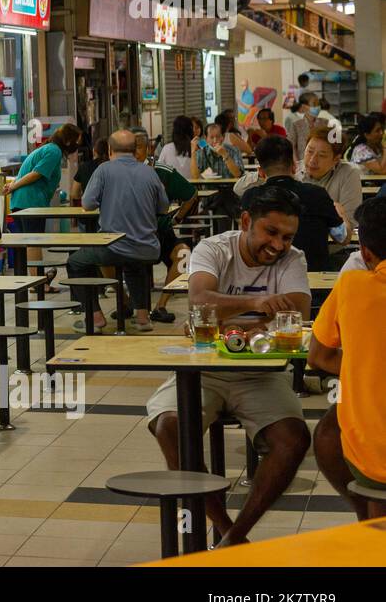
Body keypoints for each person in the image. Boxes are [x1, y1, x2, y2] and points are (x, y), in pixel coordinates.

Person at [146, 184, 312, 546]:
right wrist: (264, 305)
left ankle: (234, 537)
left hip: (261, 374)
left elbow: (298, 312)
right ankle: (228, 532)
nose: (279, 245)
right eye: (271, 232)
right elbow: (199, 299)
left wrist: (236, 321)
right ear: (247, 221)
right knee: (169, 426)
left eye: (287, 236)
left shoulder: (293, 259)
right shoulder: (213, 249)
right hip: (202, 370)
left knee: (293, 440)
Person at [310, 196, 386, 521]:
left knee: (331, 435)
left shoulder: (352, 285)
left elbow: (318, 355)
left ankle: (367, 527)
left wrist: (363, 366)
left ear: (365, 253)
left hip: (375, 459)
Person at [66, 130, 167, 333]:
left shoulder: (104, 170)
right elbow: (163, 207)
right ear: (134, 150)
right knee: (134, 264)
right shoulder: (149, 172)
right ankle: (142, 318)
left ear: (110, 150)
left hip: (114, 248)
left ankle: (95, 318)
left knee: (75, 262)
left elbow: (87, 204)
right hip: (147, 247)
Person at [231, 136, 345, 271]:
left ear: (261, 172)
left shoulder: (250, 197)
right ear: (294, 166)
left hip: (264, 281)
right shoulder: (317, 194)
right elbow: (341, 237)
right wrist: (341, 213)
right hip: (312, 280)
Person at [6, 122, 83, 288]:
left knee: (31, 242)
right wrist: (13, 186)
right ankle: (38, 284)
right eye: (76, 142)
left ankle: (37, 281)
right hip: (29, 202)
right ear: (68, 142)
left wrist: (14, 185)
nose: (78, 146)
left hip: (23, 201)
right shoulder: (54, 151)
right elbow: (36, 174)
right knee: (34, 242)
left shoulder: (48, 149)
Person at [137, 133, 198, 323]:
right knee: (101, 255)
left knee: (184, 255)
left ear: (148, 149)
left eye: (138, 147)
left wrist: (177, 218)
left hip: (161, 233)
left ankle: (161, 305)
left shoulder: (162, 171)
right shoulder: (118, 172)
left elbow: (191, 194)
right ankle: (125, 302)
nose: (133, 152)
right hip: (130, 234)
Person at [299, 126, 362, 235]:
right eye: (309, 151)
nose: (313, 160)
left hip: (334, 248)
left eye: (322, 155)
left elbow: (350, 222)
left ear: (336, 159)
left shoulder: (349, 173)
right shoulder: (293, 170)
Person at [70, 137, 109, 203]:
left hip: (90, 209)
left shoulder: (84, 167)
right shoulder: (114, 167)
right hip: (111, 208)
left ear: (94, 151)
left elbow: (74, 194)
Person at [156, 115, 195, 181]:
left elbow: (159, 171)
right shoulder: (196, 148)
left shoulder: (167, 148)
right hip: (194, 189)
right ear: (190, 131)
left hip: (172, 190)